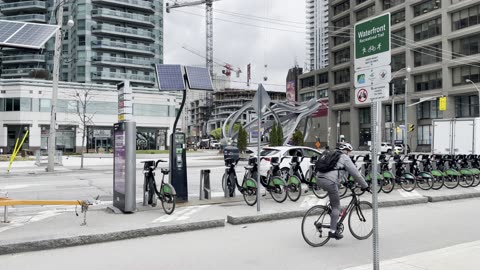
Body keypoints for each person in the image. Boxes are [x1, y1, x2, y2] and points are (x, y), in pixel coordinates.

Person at [316, 142, 369, 240]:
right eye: (350, 152)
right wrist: (365, 185)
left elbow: (338, 170)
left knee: (333, 200)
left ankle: (333, 216)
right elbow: (356, 173)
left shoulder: (331, 154)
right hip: (329, 182)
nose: (350, 154)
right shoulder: (344, 157)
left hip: (319, 179)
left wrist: (345, 182)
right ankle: (332, 231)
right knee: (336, 206)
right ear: (346, 151)